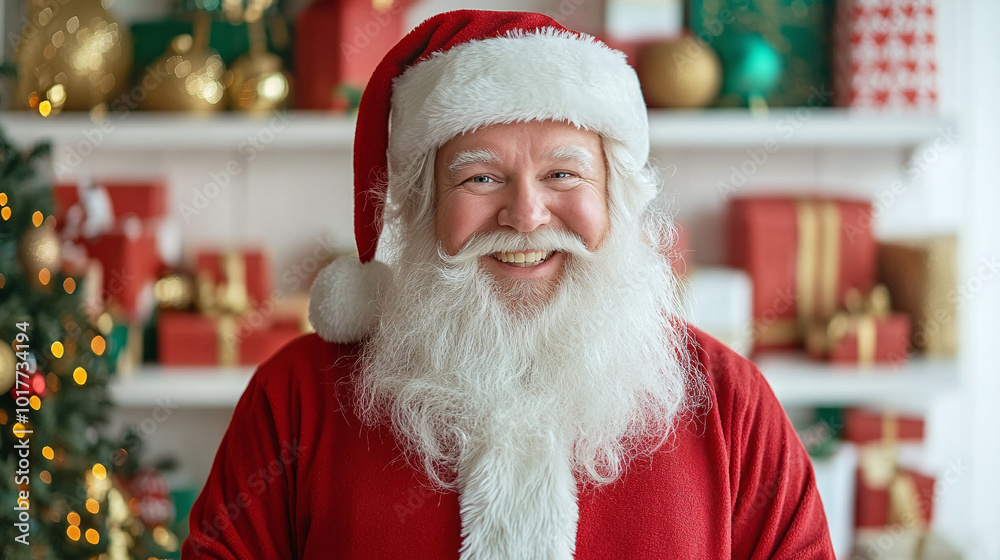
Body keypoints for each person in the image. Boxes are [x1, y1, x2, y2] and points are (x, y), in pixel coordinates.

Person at [182, 10, 834, 559]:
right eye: (480, 178)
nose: (525, 216)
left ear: (617, 200)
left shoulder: (730, 407)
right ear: (422, 207)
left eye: (563, 175)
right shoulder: (296, 399)